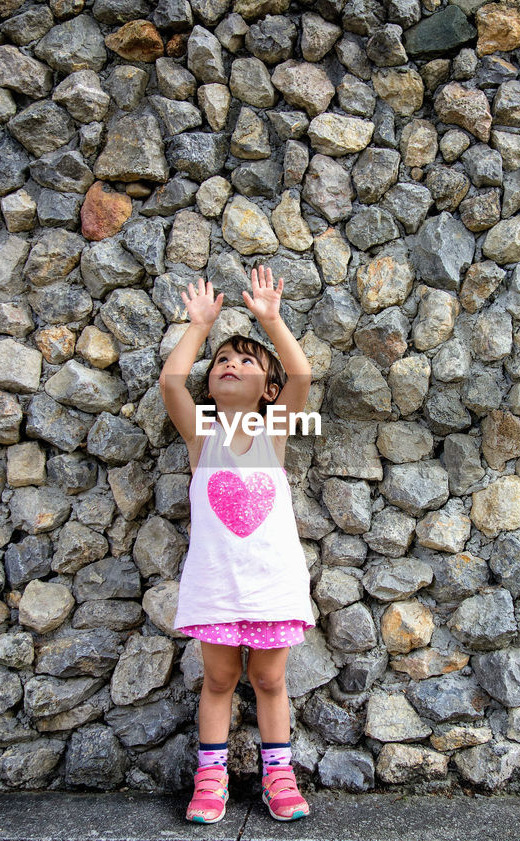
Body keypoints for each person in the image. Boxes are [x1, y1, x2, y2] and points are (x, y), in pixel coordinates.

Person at [158, 264, 316, 824]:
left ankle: (279, 773)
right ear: (212, 382)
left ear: (267, 389)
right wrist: (199, 327)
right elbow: (171, 383)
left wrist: (270, 321)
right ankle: (211, 776)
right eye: (224, 360)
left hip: (271, 584)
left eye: (247, 361)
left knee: (271, 680)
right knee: (220, 679)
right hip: (218, 585)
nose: (232, 365)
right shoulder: (203, 435)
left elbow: (302, 376)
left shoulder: (275, 433)